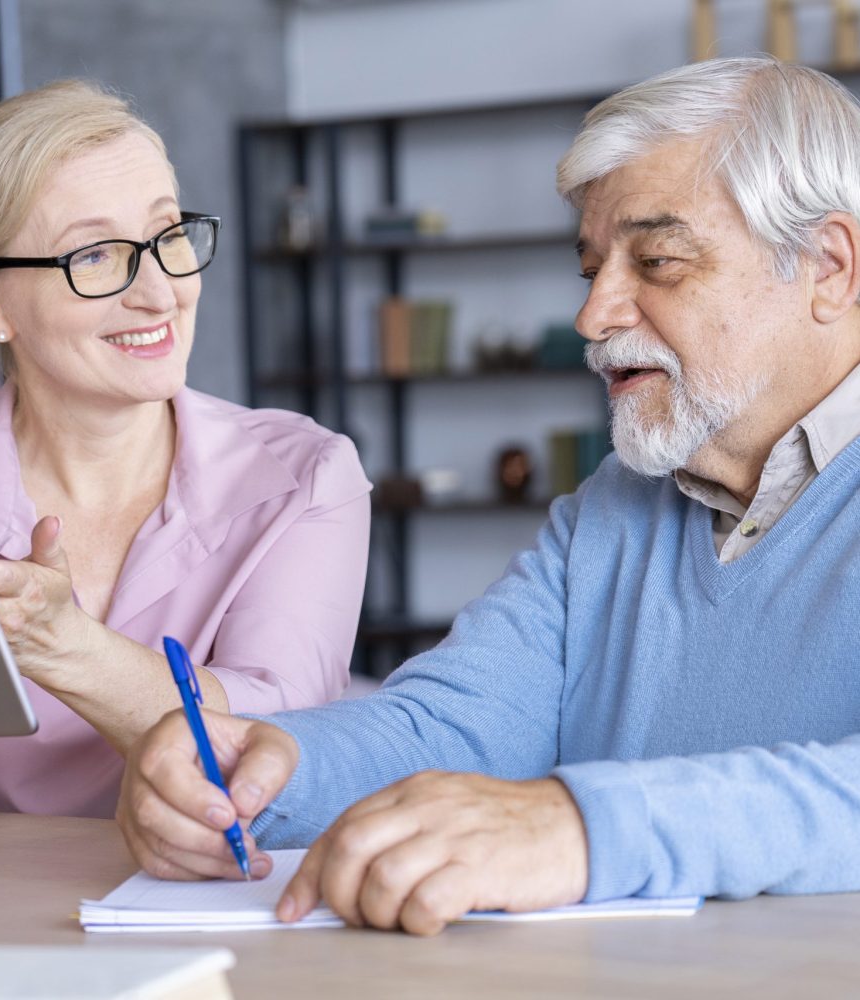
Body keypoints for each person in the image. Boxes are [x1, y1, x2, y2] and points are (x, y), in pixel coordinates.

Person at [118, 56, 860, 936]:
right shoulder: (613, 509)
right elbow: (455, 727)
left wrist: (579, 828)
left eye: (658, 261)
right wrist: (267, 765)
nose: (594, 317)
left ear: (829, 268)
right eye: (591, 270)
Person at [0, 80, 371, 834]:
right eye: (95, 255)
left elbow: (275, 756)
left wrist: (61, 646)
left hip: (211, 892)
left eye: (169, 235)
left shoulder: (305, 478)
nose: (161, 293)